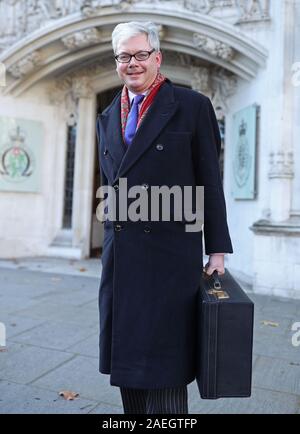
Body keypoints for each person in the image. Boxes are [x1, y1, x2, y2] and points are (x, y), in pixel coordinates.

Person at [96, 21, 233, 414]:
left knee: (164, 366)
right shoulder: (106, 116)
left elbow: (210, 180)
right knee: (128, 363)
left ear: (157, 57)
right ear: (116, 62)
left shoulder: (192, 106)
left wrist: (218, 251)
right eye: (124, 56)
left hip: (169, 257)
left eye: (140, 54)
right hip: (121, 258)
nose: (132, 63)